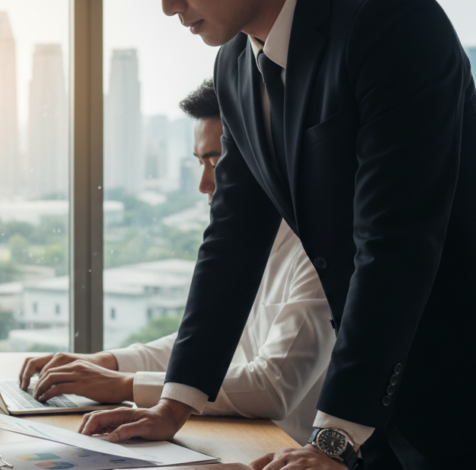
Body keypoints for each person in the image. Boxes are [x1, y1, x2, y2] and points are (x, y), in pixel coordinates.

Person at [85, 0, 474, 470]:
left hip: (455, 385)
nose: (168, 7)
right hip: (375, 405)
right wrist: (175, 403)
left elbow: (394, 244)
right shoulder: (236, 66)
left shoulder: (391, 21)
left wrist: (334, 438)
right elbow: (232, 239)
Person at [19, 79, 334, 445]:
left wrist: (124, 385)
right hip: (237, 438)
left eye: (217, 162)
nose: (205, 183)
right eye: (201, 162)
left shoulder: (317, 255)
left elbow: (272, 387)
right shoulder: (250, 246)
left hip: (280, 454)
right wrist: (106, 362)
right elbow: (202, 348)